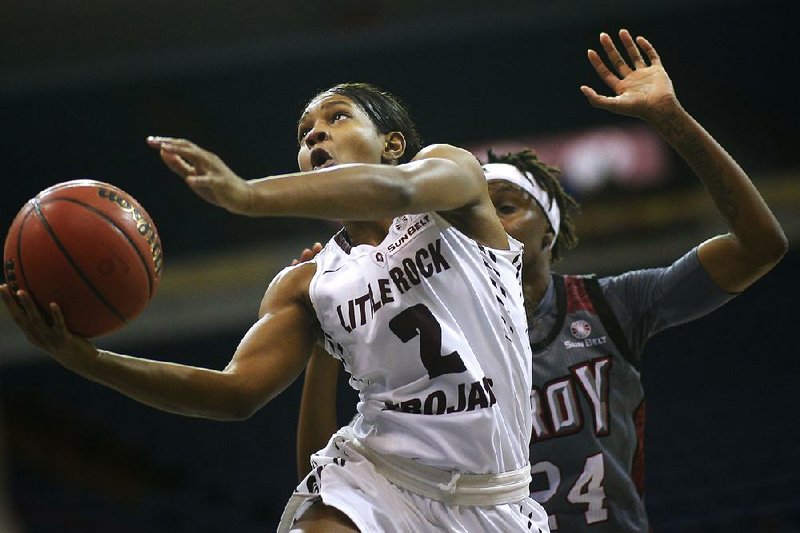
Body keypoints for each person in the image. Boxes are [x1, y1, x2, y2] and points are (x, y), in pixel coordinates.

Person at [292, 30, 788, 532]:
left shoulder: (608, 306)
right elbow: (326, 479)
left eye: (505, 207)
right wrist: (325, 340)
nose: (480, 221)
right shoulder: (410, 324)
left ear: (548, 228)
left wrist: (669, 120)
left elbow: (760, 246)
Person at [0, 82, 550, 532]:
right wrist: (88, 361)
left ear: (393, 145)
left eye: (337, 118)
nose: (316, 133)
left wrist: (247, 195)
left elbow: (401, 194)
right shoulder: (306, 284)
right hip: (382, 478)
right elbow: (235, 394)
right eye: (305, 132)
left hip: (495, 497)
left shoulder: (450, 185)